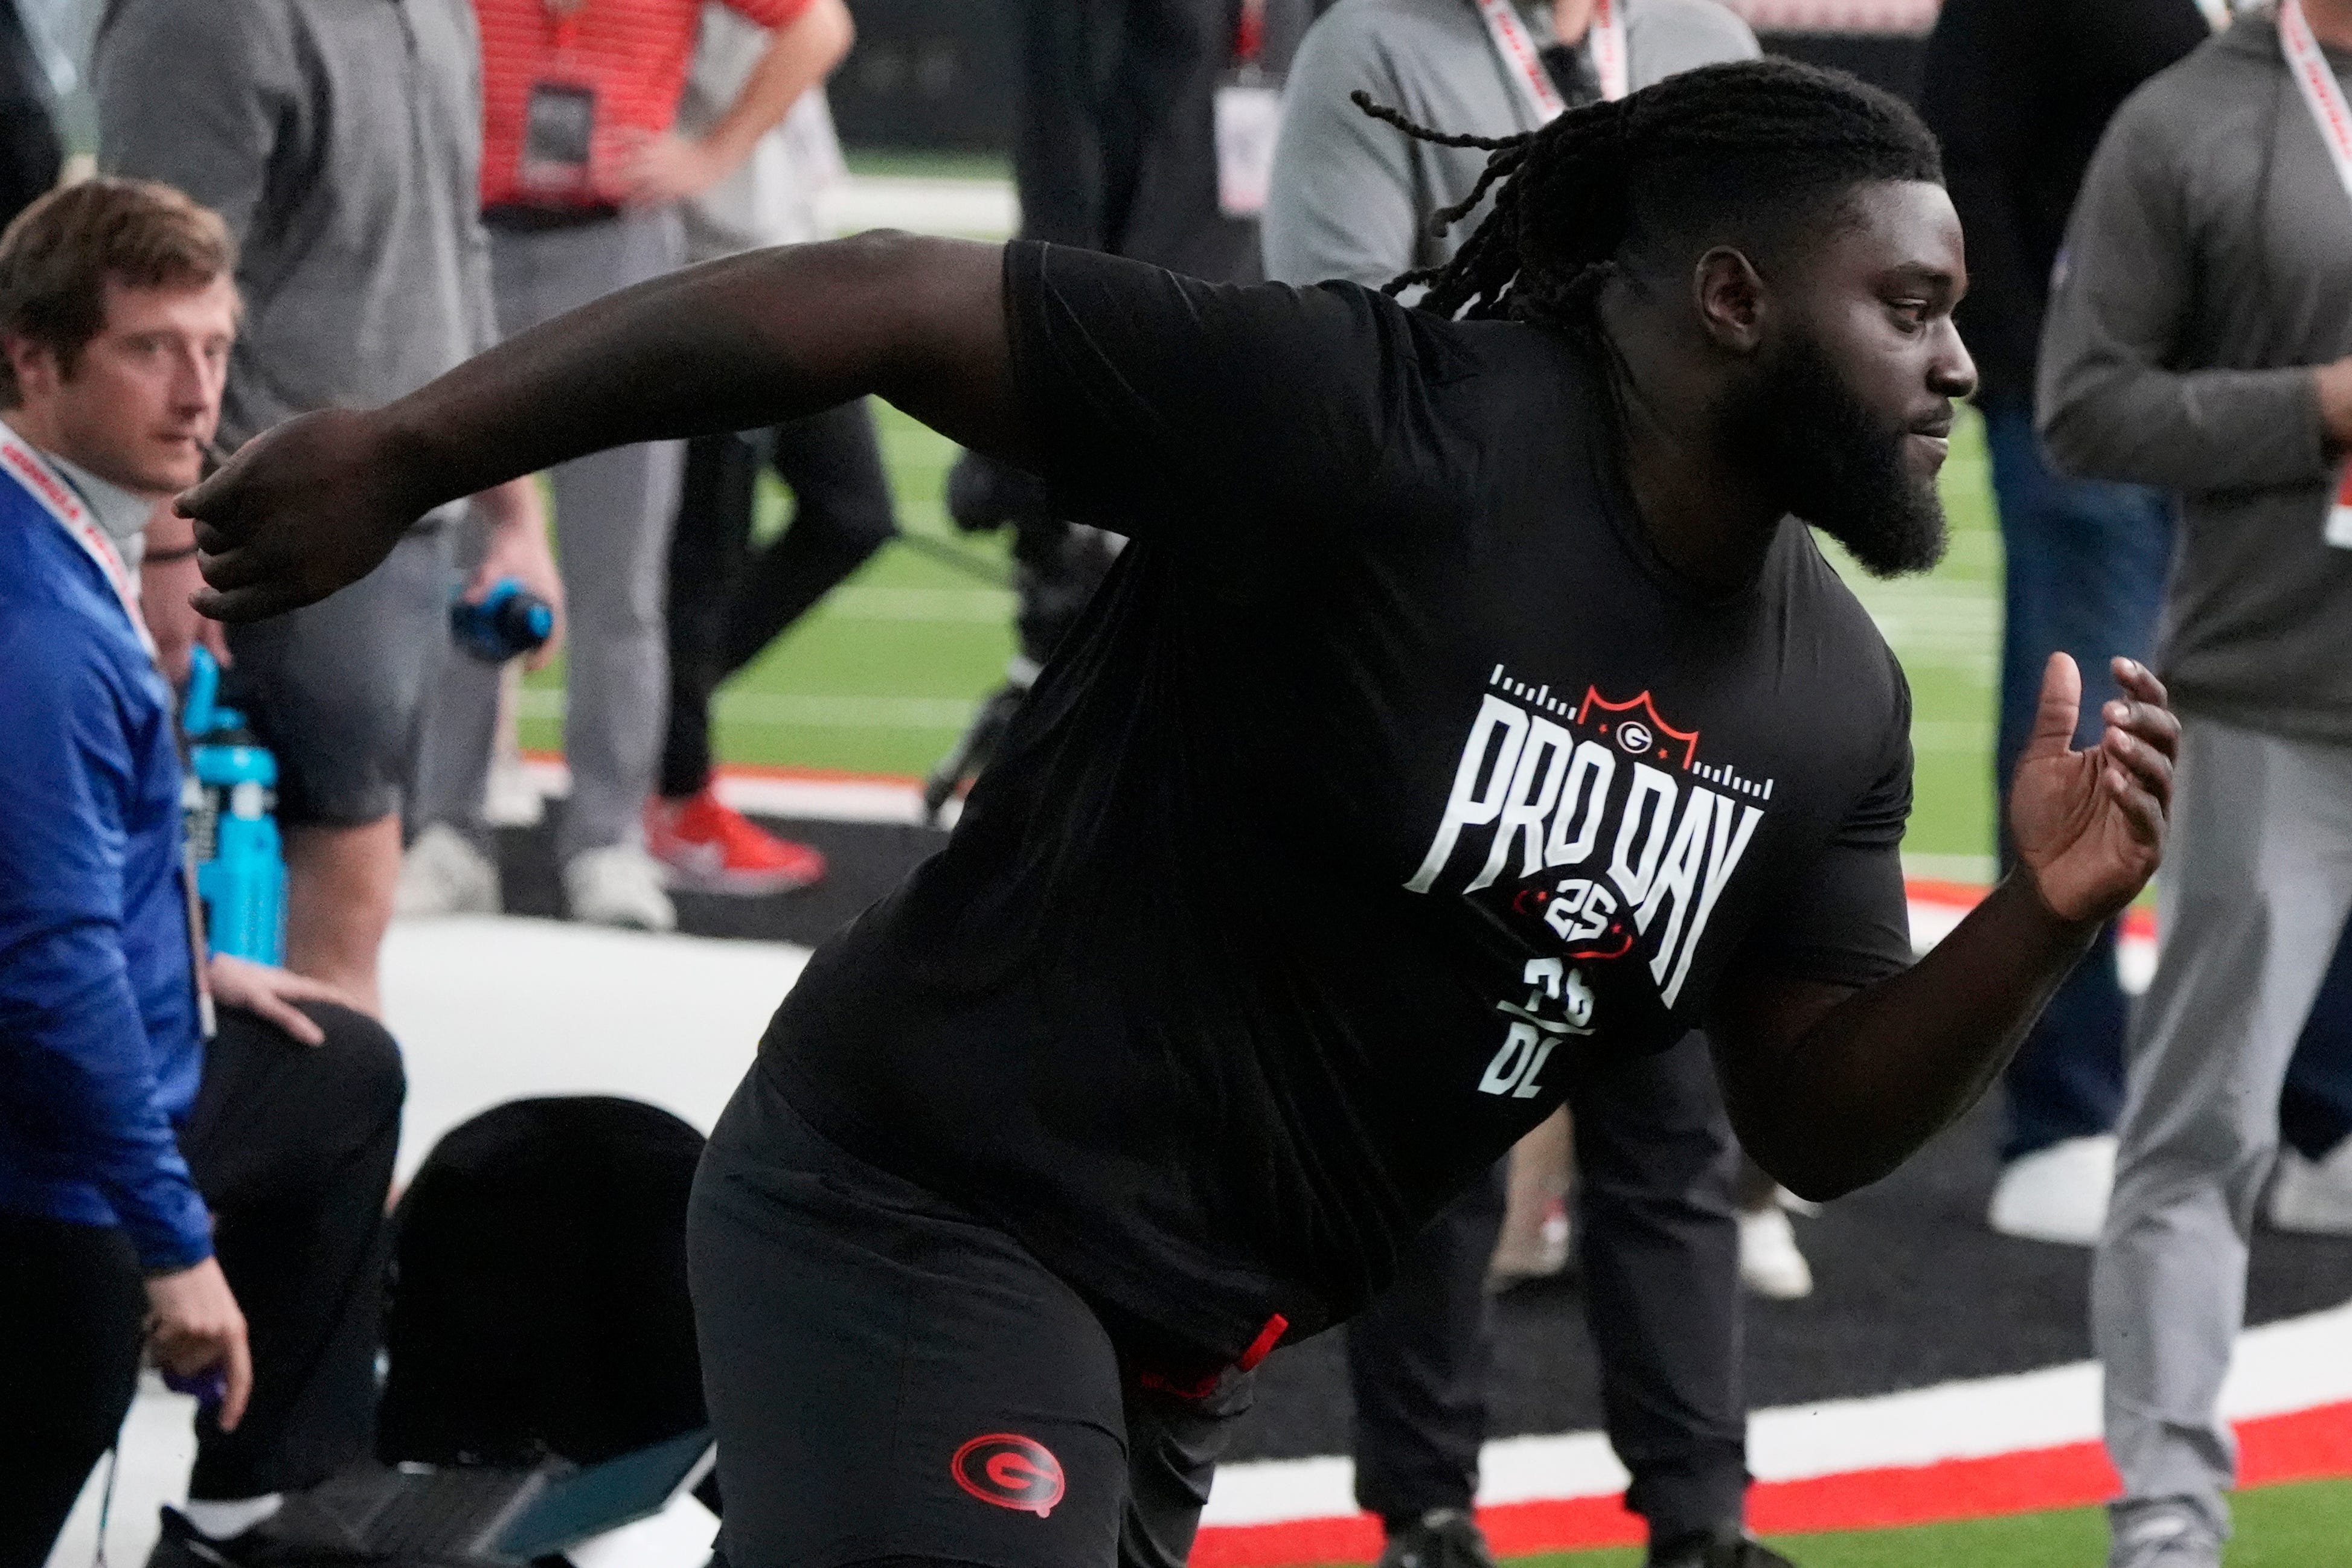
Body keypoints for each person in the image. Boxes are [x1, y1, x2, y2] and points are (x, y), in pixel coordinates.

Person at [183, 59, 2181, 1568]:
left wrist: (2037, 911)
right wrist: (411, 448)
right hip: (924, 1202)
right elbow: (883, 295)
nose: (1952, 361)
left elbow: (1812, 1114)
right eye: (1906, 306)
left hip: (1174, 1336)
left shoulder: (1827, 697)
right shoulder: (1387, 426)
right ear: (1733, 299)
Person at [1262, 4, 1781, 1566]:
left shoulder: (1707, 42)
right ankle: (1426, 1510)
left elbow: (1798, 319)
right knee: (1442, 1113)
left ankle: (1701, 1519)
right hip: (1458, 653)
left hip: (1677, 660)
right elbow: (1348, 350)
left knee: (1669, 1108)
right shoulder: (1374, 44)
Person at [0, 177, 404, 1568]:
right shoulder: (37, 630)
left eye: (217, 348)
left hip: (72, 1085)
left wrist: (182, 952)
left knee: (340, 1069)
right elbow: (45, 965)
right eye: (151, 349)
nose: (198, 391)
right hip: (45, 1175)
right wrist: (173, 1247)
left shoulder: (66, 538)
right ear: (33, 359)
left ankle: (248, 1515)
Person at [2036, 2, 2352, 1563]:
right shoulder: (2185, 120)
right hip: (2270, 699)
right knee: (2204, 1128)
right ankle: (2167, 1509)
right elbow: (2083, 404)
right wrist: (2315, 406)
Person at [92, 0, 562, 1015]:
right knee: (230, 916)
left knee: (345, 896)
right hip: (266, 519)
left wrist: (511, 515)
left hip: (397, 519)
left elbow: (458, 258)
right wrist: (173, 546)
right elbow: (144, 292)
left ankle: (318, 1164)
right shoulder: (206, 19)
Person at [398, 0, 851, 933]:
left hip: (617, 240)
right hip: (473, 227)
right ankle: (448, 828)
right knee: (468, 549)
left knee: (623, 573)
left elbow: (819, 24)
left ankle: (606, 836)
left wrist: (708, 156)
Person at [1917, 0, 2209, 1247]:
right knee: (2088, 723)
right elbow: (1960, 150)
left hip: (2259, 409)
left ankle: (2320, 1107)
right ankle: (2063, 1113)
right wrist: (2030, 372)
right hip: (2091, 405)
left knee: (2299, 729)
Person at [647, 7, 882, 894]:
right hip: (719, 262)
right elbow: (821, 28)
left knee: (853, 512)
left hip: (780, 252)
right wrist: (712, 158)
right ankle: (676, 791)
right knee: (702, 548)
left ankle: (661, 721)